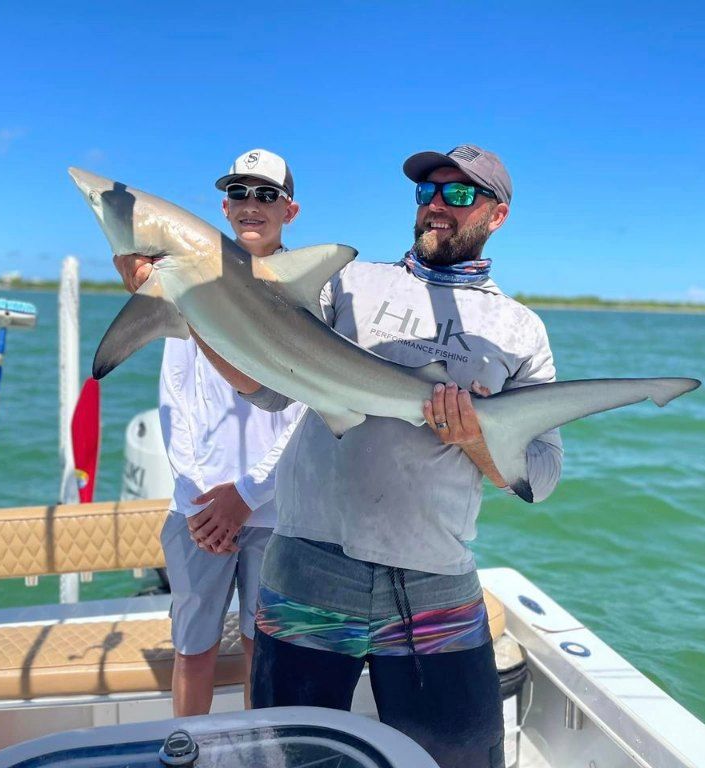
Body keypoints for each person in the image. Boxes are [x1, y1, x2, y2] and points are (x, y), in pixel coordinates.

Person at [204, 144, 563, 768]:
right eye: (427, 193)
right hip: (310, 564)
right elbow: (263, 386)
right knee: (287, 759)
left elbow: (541, 476)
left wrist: (474, 439)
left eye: (457, 195)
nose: (436, 208)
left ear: (497, 215)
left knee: (464, 759)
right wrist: (189, 307)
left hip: (434, 577)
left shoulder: (518, 330)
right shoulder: (349, 283)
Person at [112, 148, 304, 716]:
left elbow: (305, 411)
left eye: (266, 195)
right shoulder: (185, 283)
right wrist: (200, 496)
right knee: (192, 650)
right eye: (241, 194)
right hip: (194, 511)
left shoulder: (308, 295)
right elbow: (176, 397)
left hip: (275, 509)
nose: (252, 205)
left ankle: (258, 752)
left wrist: (246, 496)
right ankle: (186, 751)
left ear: (290, 211)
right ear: (223, 206)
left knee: (260, 646)